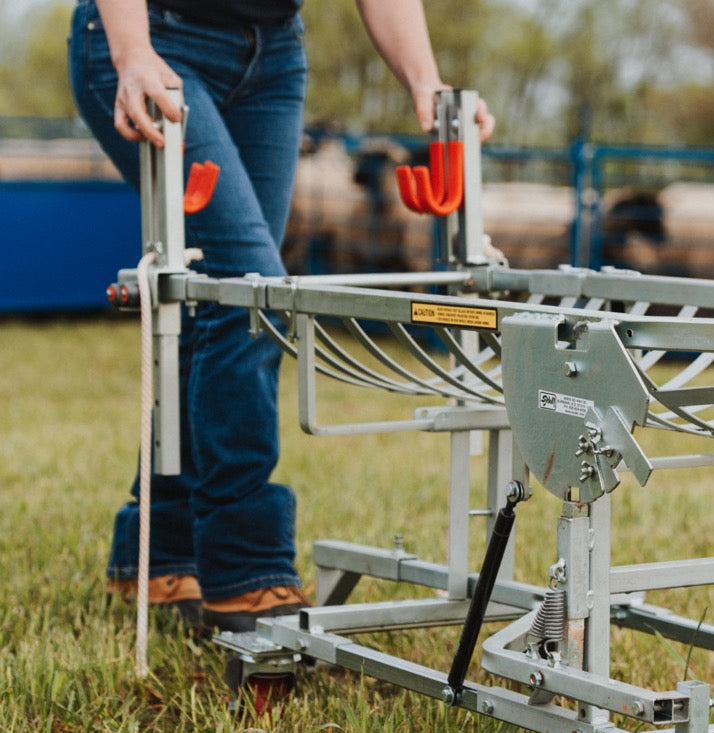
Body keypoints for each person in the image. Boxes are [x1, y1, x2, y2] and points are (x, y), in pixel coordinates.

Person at [68, 0, 494, 632]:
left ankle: (158, 556)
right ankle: (246, 571)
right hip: (153, 36)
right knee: (251, 293)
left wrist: (424, 80)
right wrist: (132, 52)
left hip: (272, 56)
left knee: (216, 301)